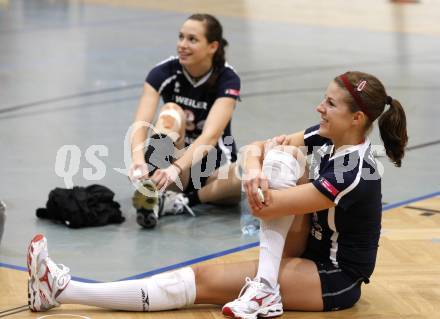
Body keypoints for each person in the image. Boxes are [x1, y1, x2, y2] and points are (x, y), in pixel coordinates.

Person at [27, 71, 408, 318]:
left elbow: (265, 209)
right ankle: (265, 287)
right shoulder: (324, 138)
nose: (319, 108)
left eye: (330, 103)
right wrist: (256, 168)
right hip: (304, 247)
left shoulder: (355, 170)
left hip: (335, 276)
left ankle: (63, 288)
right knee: (280, 156)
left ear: (357, 119)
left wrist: (257, 180)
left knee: (199, 281)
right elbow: (260, 146)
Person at [129, 13, 242, 227]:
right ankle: (157, 191)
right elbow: (141, 123)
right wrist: (137, 160)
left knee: (250, 170)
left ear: (212, 46)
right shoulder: (164, 73)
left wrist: (176, 168)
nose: (182, 45)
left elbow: (210, 136)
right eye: (181, 37)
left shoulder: (227, 78)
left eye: (192, 39)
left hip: (211, 170)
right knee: (171, 111)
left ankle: (180, 201)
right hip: (174, 168)